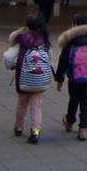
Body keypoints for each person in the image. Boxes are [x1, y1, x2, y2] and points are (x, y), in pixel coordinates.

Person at [54, 13, 87, 141]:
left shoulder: (71, 42)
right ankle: (83, 129)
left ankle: (69, 122)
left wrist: (59, 79)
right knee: (85, 102)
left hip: (74, 77)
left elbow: (63, 61)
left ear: (75, 25)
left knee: (73, 100)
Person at [9, 15, 53, 143]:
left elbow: (9, 56)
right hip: (39, 79)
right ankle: (35, 131)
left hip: (24, 78)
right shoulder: (44, 40)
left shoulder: (22, 38)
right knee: (36, 106)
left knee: (21, 104)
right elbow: (49, 56)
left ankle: (19, 127)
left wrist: (12, 65)